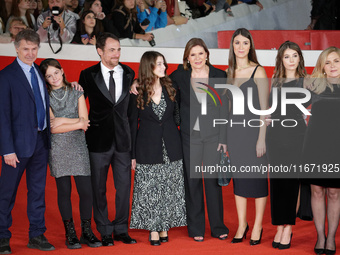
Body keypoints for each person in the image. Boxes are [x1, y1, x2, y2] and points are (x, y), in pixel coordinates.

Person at [78, 32, 137, 246]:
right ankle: (103, 229)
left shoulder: (129, 73)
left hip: (123, 142)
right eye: (112, 50)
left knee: (123, 189)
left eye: (119, 49)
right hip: (97, 141)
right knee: (98, 188)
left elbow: (131, 113)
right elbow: (79, 105)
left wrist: (133, 146)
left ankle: (121, 228)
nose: (117, 53)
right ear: (100, 51)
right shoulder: (87, 74)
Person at [0, 29, 54, 254]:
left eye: (34, 49)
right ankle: (2, 237)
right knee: (7, 193)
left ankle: (37, 234)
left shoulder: (39, 73)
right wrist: (7, 149)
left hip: (40, 143)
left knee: (37, 191)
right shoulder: (6, 76)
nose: (30, 53)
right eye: (26, 49)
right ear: (16, 48)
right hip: (16, 147)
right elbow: (1, 115)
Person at [170, 38, 229, 242]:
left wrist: (223, 138)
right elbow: (157, 82)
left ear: (207, 55)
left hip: (213, 136)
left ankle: (217, 226)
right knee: (192, 180)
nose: (197, 58)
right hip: (189, 136)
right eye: (192, 54)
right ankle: (196, 228)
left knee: (212, 181)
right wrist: (135, 83)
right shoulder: (179, 75)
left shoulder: (219, 75)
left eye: (200, 53)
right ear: (187, 57)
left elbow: (225, 109)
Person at [39, 58, 102, 249]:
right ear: (45, 79)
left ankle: (86, 231)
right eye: (49, 76)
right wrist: (74, 122)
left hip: (78, 145)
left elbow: (85, 123)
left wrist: (62, 120)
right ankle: (70, 233)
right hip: (57, 148)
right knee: (64, 191)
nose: (54, 78)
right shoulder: (45, 96)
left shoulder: (77, 91)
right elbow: (51, 128)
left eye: (56, 73)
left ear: (62, 71)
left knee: (85, 191)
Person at [129, 51, 187, 246]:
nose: (164, 67)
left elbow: (176, 116)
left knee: (168, 189)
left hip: (171, 146)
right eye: (159, 64)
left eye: (163, 63)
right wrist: (133, 155)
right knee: (150, 189)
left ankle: (164, 226)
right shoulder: (137, 91)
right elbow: (132, 125)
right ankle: (153, 228)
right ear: (149, 67)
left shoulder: (171, 87)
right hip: (147, 147)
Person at [226, 28, 269, 245]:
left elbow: (264, 109)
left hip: (254, 133)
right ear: (232, 46)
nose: (241, 47)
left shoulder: (258, 71)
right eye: (237, 43)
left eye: (245, 43)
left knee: (259, 180)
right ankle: (242, 224)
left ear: (250, 46)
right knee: (240, 181)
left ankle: (258, 225)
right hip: (235, 134)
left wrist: (262, 138)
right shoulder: (229, 72)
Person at [266, 41, 308, 250]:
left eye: (294, 56)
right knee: (278, 184)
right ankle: (279, 226)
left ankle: (288, 226)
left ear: (300, 58)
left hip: (297, 137)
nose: (291, 60)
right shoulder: (276, 81)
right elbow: (270, 110)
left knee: (292, 183)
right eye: (286, 57)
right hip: (275, 137)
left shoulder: (306, 81)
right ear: (281, 59)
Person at [302, 46, 340, 255]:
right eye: (328, 62)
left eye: (336, 61)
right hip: (315, 143)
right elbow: (292, 104)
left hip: (338, 146)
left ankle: (332, 238)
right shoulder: (314, 85)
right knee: (316, 190)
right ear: (322, 66)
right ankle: (320, 236)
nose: (333, 66)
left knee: (334, 192)